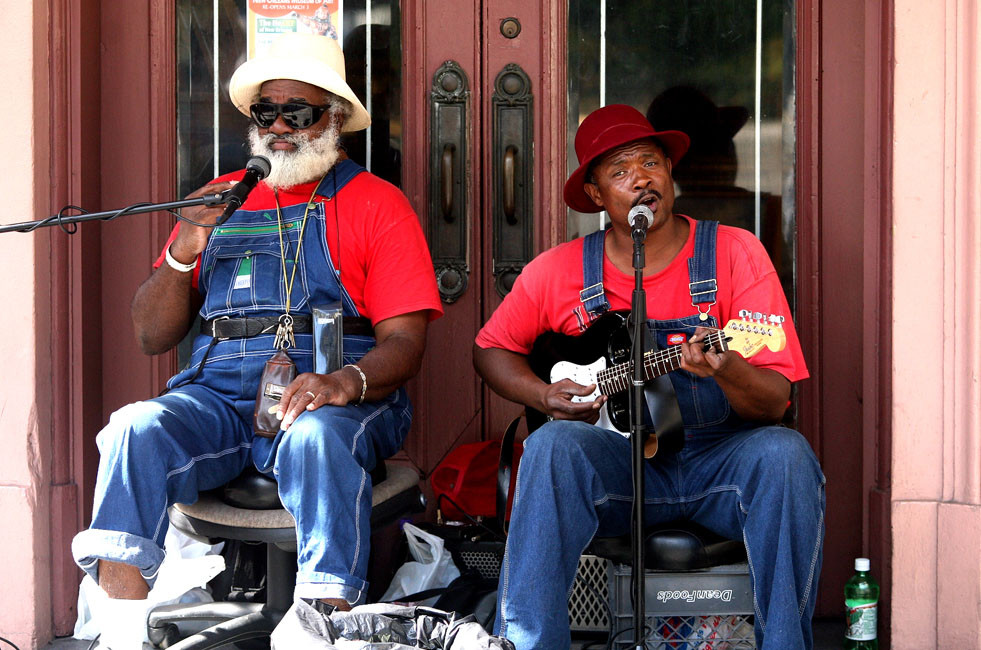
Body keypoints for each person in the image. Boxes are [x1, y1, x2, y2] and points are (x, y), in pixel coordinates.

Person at [71, 32, 441, 646]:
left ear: (337, 119)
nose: (279, 127)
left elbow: (406, 342)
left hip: (330, 396)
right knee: (134, 427)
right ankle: (121, 633)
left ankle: (321, 626)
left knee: (320, 438)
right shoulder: (221, 199)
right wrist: (186, 246)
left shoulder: (377, 204)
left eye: (297, 112)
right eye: (266, 113)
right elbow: (150, 334)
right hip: (218, 399)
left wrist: (344, 383)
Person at [473, 104, 824, 650]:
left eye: (650, 162)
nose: (640, 178)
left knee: (786, 455)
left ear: (669, 174)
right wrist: (543, 394)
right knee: (550, 448)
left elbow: (775, 401)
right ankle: (526, 643)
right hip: (622, 470)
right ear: (595, 195)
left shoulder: (735, 253)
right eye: (619, 170)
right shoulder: (559, 269)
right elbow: (491, 350)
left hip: (719, 464)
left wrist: (726, 365)